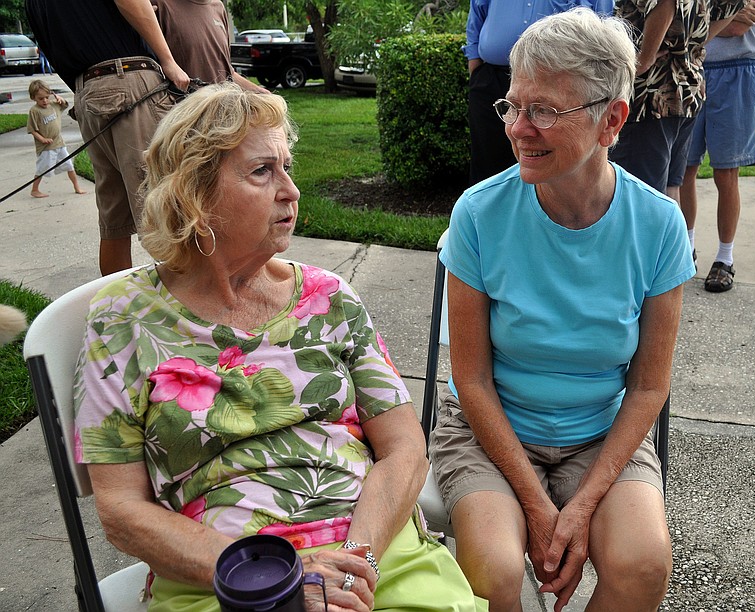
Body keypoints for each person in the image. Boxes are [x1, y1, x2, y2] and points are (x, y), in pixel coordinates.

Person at [73, 83, 487, 612]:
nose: (291, 189)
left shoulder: (329, 297)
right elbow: (120, 508)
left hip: (373, 552)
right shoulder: (123, 317)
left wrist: (356, 564)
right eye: (262, 171)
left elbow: (405, 449)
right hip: (227, 575)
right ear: (194, 196)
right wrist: (287, 577)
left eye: (286, 166)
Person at [429, 9, 696, 612]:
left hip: (597, 435)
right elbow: (469, 379)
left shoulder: (656, 225)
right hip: (487, 432)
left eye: (545, 110)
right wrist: (537, 503)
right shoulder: (479, 213)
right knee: (494, 573)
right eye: (513, 106)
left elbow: (650, 387)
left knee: (643, 564)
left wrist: (580, 504)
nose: (520, 127)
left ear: (613, 119)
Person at [25, 0, 191, 276]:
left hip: (87, 90)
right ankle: (189, 310)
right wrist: (168, 60)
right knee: (162, 204)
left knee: (113, 217)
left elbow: (50, 44)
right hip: (128, 79)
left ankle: (116, 306)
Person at [679, 0, 755, 292]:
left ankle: (725, 258)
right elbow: (688, 23)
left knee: (726, 172)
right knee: (685, 168)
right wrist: (727, 13)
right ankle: (686, 249)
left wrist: (704, 21)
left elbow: (736, 28)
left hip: (740, 72)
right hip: (696, 69)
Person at [465, 0, 614, 186]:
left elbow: (602, 34)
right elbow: (476, 19)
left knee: (545, 162)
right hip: (491, 78)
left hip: (556, 85)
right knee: (487, 156)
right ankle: (488, 210)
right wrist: (477, 72)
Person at [609, 0, 744, 201]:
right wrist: (691, 43)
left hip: (650, 94)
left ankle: (652, 233)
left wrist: (644, 58)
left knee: (640, 193)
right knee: (670, 188)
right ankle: (676, 233)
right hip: (684, 89)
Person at [150, 0, 268, 92]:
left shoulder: (219, 8)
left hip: (223, 116)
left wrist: (258, 91)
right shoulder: (159, 5)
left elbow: (226, 73)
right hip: (183, 118)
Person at [26, 79, 87, 198]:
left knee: (69, 165)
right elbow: (32, 129)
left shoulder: (53, 105)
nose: (45, 101)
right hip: (46, 147)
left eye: (46, 97)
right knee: (42, 169)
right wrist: (42, 139)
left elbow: (65, 104)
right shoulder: (34, 111)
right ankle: (34, 189)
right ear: (33, 98)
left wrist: (60, 98)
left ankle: (76, 187)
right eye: (40, 98)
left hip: (59, 143)